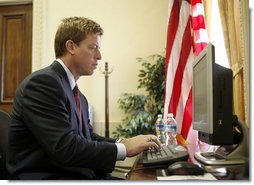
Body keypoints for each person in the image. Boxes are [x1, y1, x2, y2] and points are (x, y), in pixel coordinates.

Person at [6, 16, 160, 180]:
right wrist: (124, 149)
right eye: (93, 47)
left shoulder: (78, 95)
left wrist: (124, 141)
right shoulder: (42, 84)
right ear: (71, 46)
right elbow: (65, 147)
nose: (99, 56)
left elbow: (87, 138)